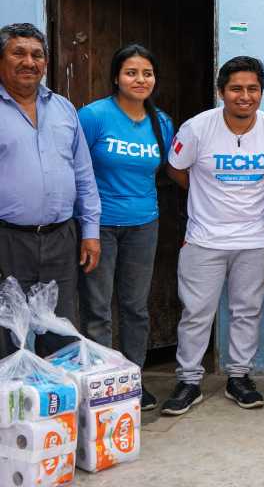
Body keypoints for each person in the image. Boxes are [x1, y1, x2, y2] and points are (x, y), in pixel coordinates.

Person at [161, 56, 264, 416]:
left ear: (261, 93)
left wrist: (253, 195)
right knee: (196, 312)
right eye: (236, 89)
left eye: (252, 89)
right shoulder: (197, 129)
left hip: (254, 240)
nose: (244, 96)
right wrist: (207, 196)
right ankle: (188, 381)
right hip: (204, 239)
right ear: (221, 92)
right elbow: (176, 169)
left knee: (247, 311)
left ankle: (239, 378)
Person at [77, 44, 174, 411]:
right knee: (98, 309)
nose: (140, 79)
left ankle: (133, 381)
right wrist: (85, 226)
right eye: (132, 72)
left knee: (135, 308)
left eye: (147, 73)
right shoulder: (94, 116)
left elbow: (168, 167)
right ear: (116, 76)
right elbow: (77, 170)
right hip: (98, 227)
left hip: (143, 226)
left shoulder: (160, 122)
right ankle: (101, 385)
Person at [0, 22, 100, 357]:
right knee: (4, 333)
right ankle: (10, 406)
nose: (29, 61)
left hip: (60, 238)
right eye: (19, 53)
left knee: (59, 332)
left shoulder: (63, 108)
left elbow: (84, 175)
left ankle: (55, 406)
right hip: (7, 239)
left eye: (37, 55)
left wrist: (91, 232)